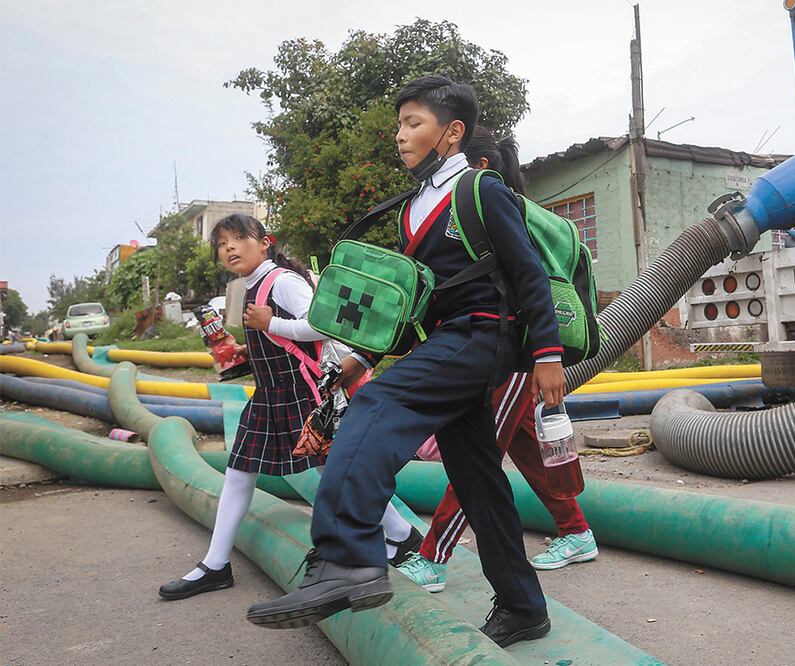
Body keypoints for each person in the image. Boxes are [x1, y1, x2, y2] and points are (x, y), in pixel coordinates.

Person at [246, 75, 566, 649]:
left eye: (413, 122)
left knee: (378, 403)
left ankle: (348, 558)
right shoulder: (414, 207)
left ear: (453, 132)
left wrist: (546, 354)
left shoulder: (481, 190)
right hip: (444, 339)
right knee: (476, 479)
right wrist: (360, 355)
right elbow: (410, 299)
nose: (399, 135)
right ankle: (523, 606)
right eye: (399, 124)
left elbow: (529, 275)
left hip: (481, 336)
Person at [158, 214, 420, 601]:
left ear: (265, 242)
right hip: (269, 393)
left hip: (302, 392)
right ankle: (215, 564)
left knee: (336, 468)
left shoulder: (280, 281)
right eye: (222, 243)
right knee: (240, 471)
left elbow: (325, 324)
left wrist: (272, 326)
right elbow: (281, 337)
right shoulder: (251, 285)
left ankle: (401, 534)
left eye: (238, 238)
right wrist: (251, 350)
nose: (229, 247)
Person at [398, 127, 597, 594]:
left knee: (476, 458)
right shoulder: (486, 210)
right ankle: (577, 532)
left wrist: (544, 356)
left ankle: (432, 558)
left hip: (512, 352)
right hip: (508, 351)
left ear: (480, 169)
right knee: (524, 444)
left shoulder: (492, 205)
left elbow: (528, 284)